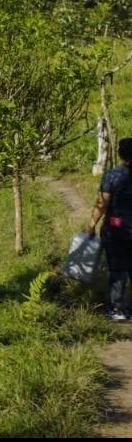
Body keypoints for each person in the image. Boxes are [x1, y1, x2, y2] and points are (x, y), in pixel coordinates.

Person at [88, 137, 132, 321]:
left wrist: (91, 224)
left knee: (118, 268)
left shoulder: (113, 175)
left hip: (117, 230)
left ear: (122, 154)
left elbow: (102, 203)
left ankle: (117, 309)